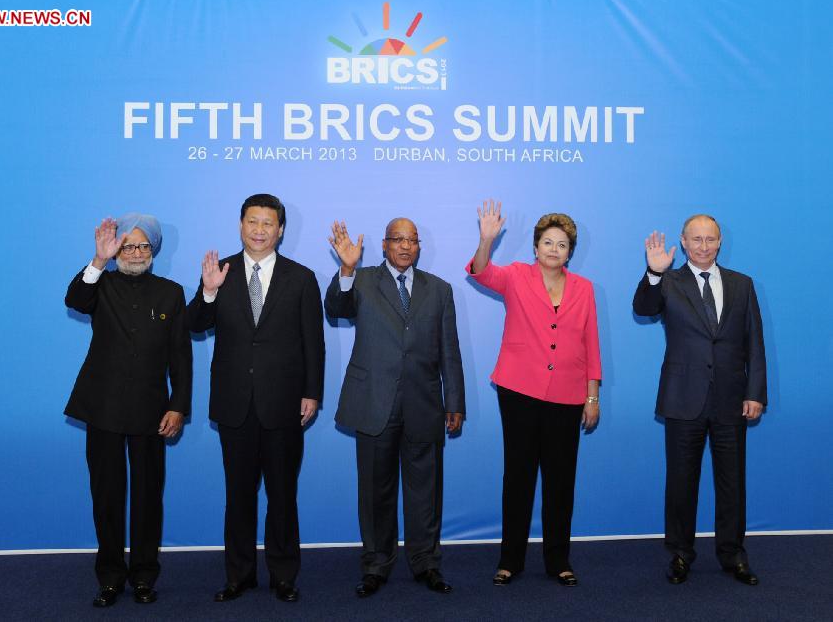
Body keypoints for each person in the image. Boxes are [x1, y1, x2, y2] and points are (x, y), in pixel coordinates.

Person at [187, 194, 324, 603]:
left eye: (268, 223)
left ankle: (284, 575)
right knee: (238, 496)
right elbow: (195, 324)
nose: (260, 230)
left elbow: (313, 343)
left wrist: (312, 392)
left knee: (282, 495)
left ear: (281, 229)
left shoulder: (301, 277)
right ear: (240, 225)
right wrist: (209, 293)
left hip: (284, 404)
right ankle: (239, 575)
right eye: (253, 222)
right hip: (235, 404)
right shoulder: (221, 272)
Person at [325, 217, 465, 597]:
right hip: (374, 403)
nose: (405, 246)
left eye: (412, 240)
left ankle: (426, 564)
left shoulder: (439, 290)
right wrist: (347, 268)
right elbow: (336, 307)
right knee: (375, 492)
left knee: (425, 493)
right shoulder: (364, 280)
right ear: (384, 245)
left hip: (424, 405)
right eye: (397, 239)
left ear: (419, 247)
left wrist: (454, 400)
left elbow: (449, 351)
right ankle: (376, 565)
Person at [466, 201, 601, 587]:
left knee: (561, 480)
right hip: (519, 390)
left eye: (562, 244)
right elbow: (480, 272)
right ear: (535, 247)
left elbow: (591, 343)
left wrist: (592, 396)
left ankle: (558, 560)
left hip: (569, 394)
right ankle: (510, 560)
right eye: (547, 242)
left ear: (570, 252)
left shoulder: (585, 288)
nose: (554, 249)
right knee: (519, 477)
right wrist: (486, 241)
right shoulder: (515, 277)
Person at [65, 214, 192, 608]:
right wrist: (98, 260)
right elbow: (75, 300)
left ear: (153, 252)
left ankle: (143, 576)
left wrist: (178, 406)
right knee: (106, 495)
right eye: (128, 246)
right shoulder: (99, 283)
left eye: (143, 246)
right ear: (117, 249)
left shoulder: (171, 293)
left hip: (151, 410)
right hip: (102, 406)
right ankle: (109, 577)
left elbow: (181, 359)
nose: (135, 253)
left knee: (147, 496)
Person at [633, 214, 766, 586]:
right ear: (684, 242)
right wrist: (654, 272)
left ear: (720, 241)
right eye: (696, 240)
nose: (704, 246)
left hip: (731, 399)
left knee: (732, 483)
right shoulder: (668, 281)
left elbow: (755, 342)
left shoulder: (742, 284)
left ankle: (732, 554)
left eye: (710, 239)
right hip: (682, 398)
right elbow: (643, 308)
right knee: (680, 483)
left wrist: (755, 392)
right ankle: (679, 554)